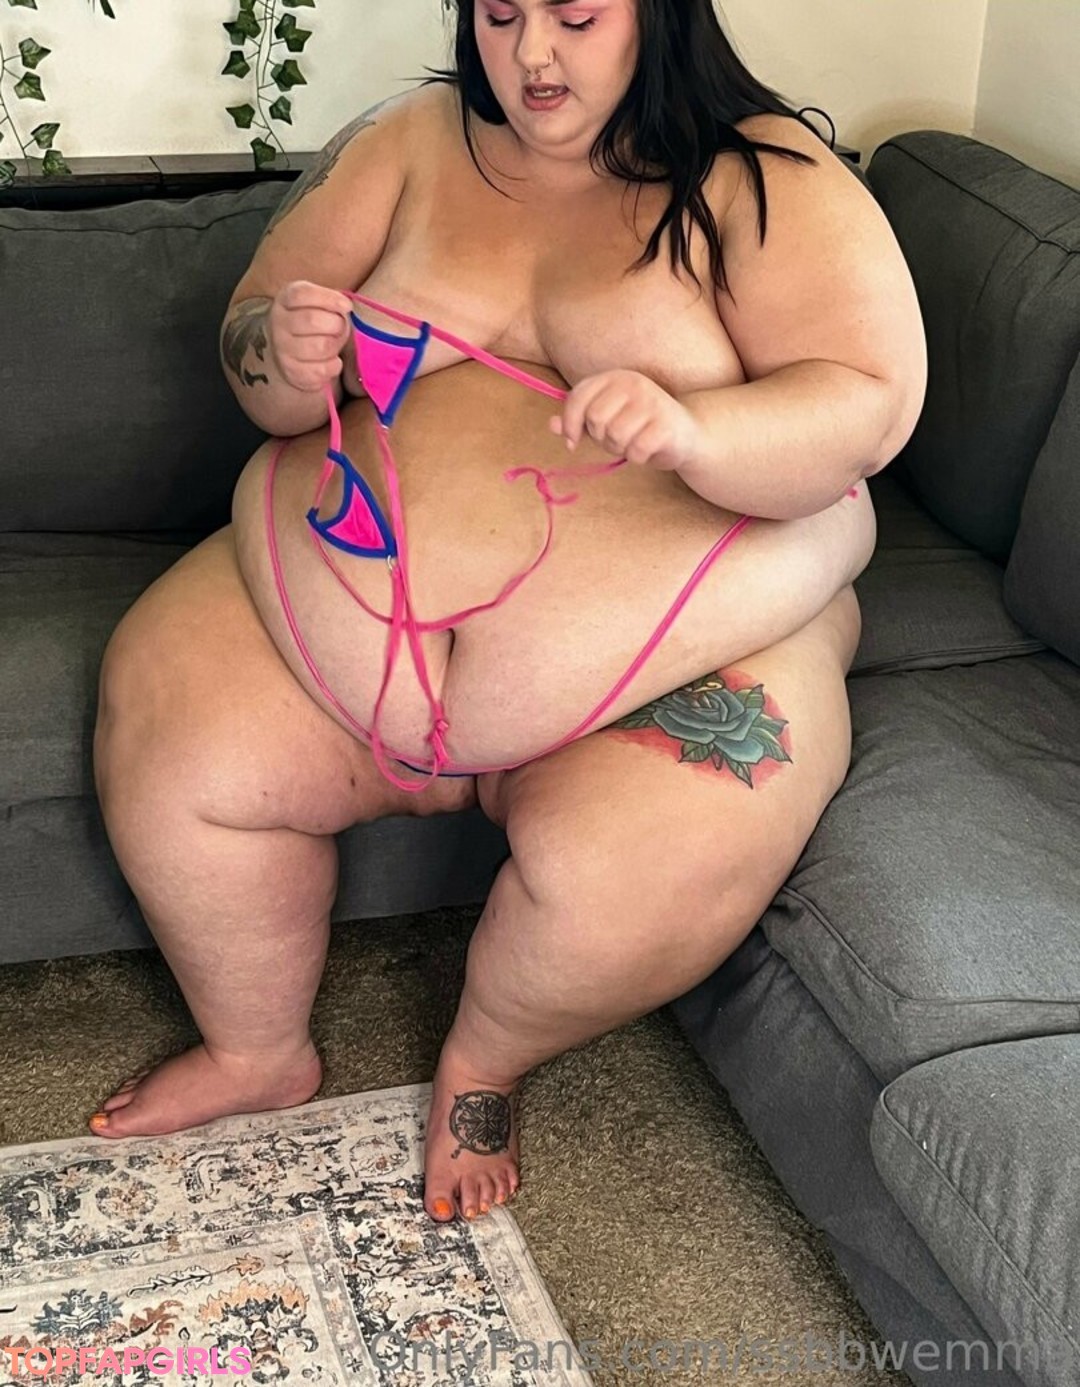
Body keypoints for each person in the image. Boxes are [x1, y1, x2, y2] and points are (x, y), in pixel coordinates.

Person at [89, 0, 926, 1227]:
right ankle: (253, 1047)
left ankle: (485, 1061)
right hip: (330, 637)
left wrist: (699, 428)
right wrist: (284, 352)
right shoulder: (410, 143)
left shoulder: (764, 176)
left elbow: (869, 401)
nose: (532, 54)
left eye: (576, 15)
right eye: (500, 14)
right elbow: (251, 338)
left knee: (643, 866)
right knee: (173, 741)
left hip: (669, 665)